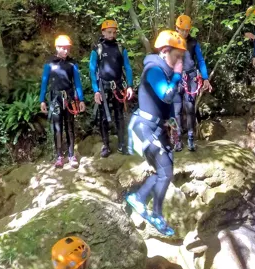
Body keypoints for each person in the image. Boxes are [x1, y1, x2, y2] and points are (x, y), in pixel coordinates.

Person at [125, 30, 186, 237]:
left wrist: (172, 124)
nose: (180, 61)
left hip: (158, 128)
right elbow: (167, 96)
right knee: (165, 171)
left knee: (165, 171)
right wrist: (177, 74)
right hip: (143, 127)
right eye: (177, 57)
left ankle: (140, 199)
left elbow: (166, 107)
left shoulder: (166, 72)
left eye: (181, 58)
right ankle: (153, 211)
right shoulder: (153, 69)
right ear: (164, 51)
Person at [40, 35, 86, 169]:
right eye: (63, 48)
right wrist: (42, 100)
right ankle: (59, 155)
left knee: (70, 127)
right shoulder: (49, 64)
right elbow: (44, 83)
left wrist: (81, 99)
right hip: (55, 99)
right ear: (57, 48)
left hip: (69, 98)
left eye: (68, 49)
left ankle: (71, 155)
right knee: (57, 128)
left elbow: (77, 83)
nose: (66, 51)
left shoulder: (72, 64)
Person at [89, 19, 134, 158]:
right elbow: (92, 69)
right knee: (103, 117)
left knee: (120, 116)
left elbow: (127, 67)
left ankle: (121, 145)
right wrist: (96, 90)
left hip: (118, 86)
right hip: (103, 87)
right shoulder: (97, 49)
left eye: (114, 32)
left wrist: (130, 86)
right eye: (109, 32)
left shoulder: (120, 48)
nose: (111, 35)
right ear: (103, 32)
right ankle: (106, 145)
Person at [172, 14, 213, 152]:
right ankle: (177, 139)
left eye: (187, 30)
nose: (185, 32)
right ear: (176, 28)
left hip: (191, 79)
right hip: (176, 79)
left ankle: (190, 138)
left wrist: (205, 77)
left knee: (190, 108)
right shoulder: (171, 42)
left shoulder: (193, 43)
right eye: (182, 30)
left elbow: (200, 60)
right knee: (176, 110)